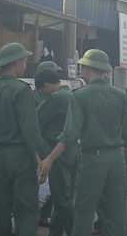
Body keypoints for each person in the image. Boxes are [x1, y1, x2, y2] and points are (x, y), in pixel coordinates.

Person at [38, 49, 127, 236]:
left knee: (84, 211)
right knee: (117, 214)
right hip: (117, 159)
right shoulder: (119, 95)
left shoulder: (80, 95)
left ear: (87, 70)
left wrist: (49, 159)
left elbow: (69, 134)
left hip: (93, 160)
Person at [0, 42, 48, 235]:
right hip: (20, 156)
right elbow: (30, 129)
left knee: (1, 208)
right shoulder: (21, 90)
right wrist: (40, 159)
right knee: (26, 208)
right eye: (25, 60)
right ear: (17, 63)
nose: (25, 64)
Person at [35, 70, 78, 236]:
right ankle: (55, 233)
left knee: (61, 200)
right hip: (73, 150)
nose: (42, 93)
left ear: (46, 85)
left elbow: (34, 119)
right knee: (65, 197)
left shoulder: (56, 98)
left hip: (58, 151)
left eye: (41, 90)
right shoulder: (72, 95)